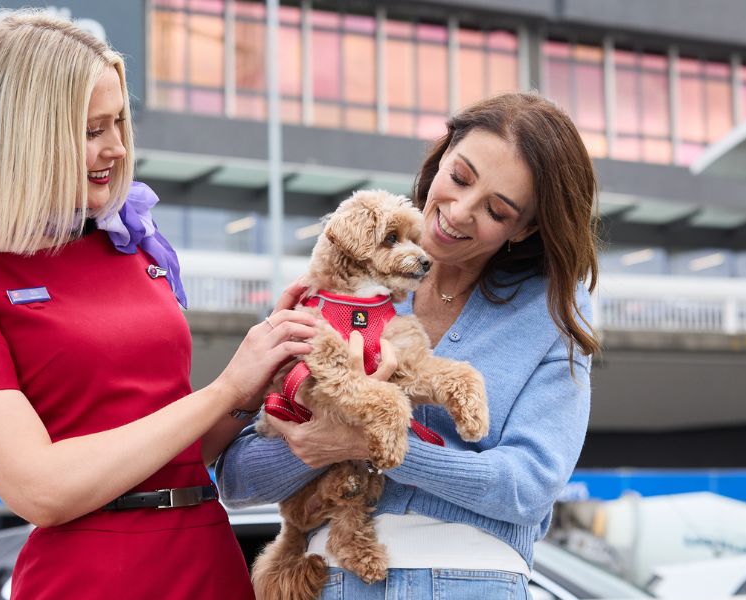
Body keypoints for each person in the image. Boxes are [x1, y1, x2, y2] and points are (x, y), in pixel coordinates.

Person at [0, 11, 318, 599]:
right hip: (93, 576)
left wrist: (259, 378)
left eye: (119, 121)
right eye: (93, 129)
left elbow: (177, 449)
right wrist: (223, 389)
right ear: (24, 133)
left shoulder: (133, 246)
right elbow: (39, 488)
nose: (118, 147)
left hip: (206, 554)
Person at [217, 92, 600, 599]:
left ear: (526, 228)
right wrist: (322, 437)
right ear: (441, 155)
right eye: (459, 178)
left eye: (497, 210)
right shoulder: (342, 282)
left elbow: (529, 486)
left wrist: (371, 444)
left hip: (471, 581)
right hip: (333, 577)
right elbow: (237, 480)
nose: (459, 212)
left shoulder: (553, 307)